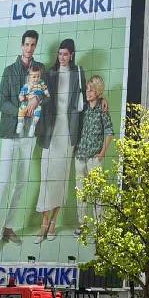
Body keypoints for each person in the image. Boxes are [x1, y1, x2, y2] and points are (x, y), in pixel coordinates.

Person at [0, 30, 46, 245]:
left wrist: (38, 101)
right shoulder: (9, 71)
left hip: (29, 134)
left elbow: (44, 94)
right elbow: (1, 103)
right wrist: (21, 108)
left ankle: (8, 227)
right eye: (26, 44)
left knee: (22, 183)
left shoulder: (39, 70)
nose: (29, 48)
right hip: (10, 131)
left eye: (33, 45)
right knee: (4, 182)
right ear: (21, 45)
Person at [35, 39, 86, 242]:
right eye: (59, 54)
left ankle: (54, 223)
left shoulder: (78, 73)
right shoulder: (49, 73)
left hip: (69, 130)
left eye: (65, 54)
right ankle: (44, 223)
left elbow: (87, 98)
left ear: (71, 55)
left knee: (61, 177)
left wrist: (103, 100)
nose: (62, 57)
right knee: (46, 176)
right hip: (51, 130)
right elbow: (39, 94)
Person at [73, 75, 114, 235]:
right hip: (79, 156)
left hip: (94, 158)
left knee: (97, 193)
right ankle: (82, 225)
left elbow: (109, 132)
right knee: (81, 193)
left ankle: (100, 227)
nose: (88, 92)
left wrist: (102, 153)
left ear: (98, 92)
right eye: (87, 89)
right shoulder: (82, 107)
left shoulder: (102, 110)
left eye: (92, 90)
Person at [16, 64, 49, 137]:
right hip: (26, 102)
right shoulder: (27, 85)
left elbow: (45, 90)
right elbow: (21, 94)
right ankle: (20, 123)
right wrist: (21, 97)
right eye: (34, 77)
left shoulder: (41, 83)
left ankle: (33, 126)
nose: (36, 79)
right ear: (29, 77)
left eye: (38, 76)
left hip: (37, 104)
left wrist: (46, 93)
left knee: (37, 114)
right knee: (21, 110)